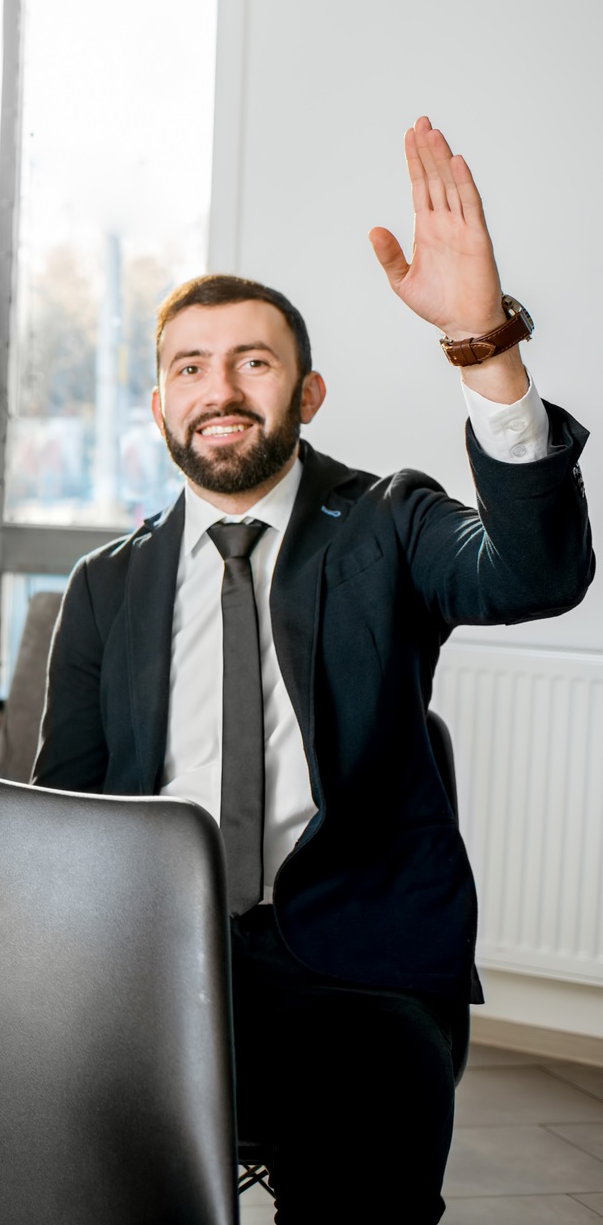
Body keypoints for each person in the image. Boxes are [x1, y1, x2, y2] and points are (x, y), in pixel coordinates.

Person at [33, 118, 594, 1220]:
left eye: (254, 360)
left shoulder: (385, 518)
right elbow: (69, 802)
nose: (219, 387)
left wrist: (483, 341)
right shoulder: (107, 581)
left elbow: (535, 571)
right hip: (147, 957)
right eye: (188, 366)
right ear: (158, 405)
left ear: (307, 392)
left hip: (356, 961)